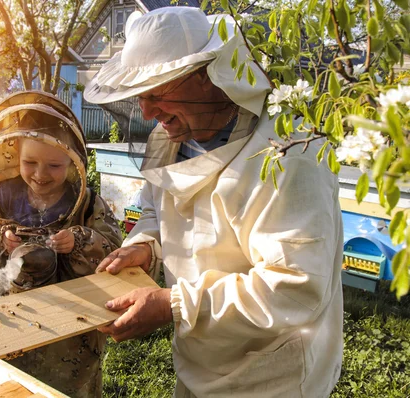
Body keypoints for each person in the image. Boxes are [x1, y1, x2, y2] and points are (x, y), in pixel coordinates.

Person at [84, 7, 343, 398]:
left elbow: (295, 287)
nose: (148, 112)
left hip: (274, 376)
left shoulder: (289, 154)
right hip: (198, 358)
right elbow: (160, 208)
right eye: (141, 95)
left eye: (158, 91)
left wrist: (172, 304)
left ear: (206, 76)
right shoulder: (168, 138)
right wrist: (145, 247)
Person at [0, 91, 123, 397]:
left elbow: (115, 251)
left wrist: (80, 240)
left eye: (54, 166)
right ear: (15, 158)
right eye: (30, 162)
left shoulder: (87, 204)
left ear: (72, 163)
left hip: (70, 330)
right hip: (9, 321)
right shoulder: (2, 198)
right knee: (13, 386)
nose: (40, 174)